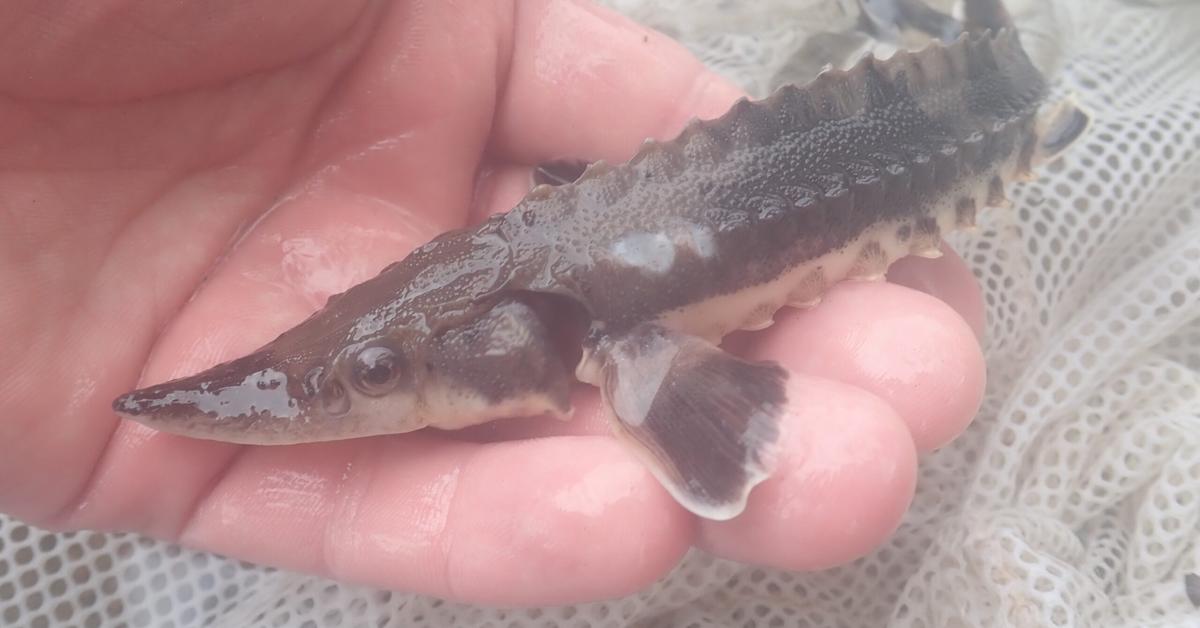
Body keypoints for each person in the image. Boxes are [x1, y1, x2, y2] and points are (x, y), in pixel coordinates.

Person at [0, 0, 986, 607]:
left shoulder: (630, 346)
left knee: (1002, 113)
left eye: (377, 373)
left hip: (979, 128)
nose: (367, 384)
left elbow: (716, 448)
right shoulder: (540, 276)